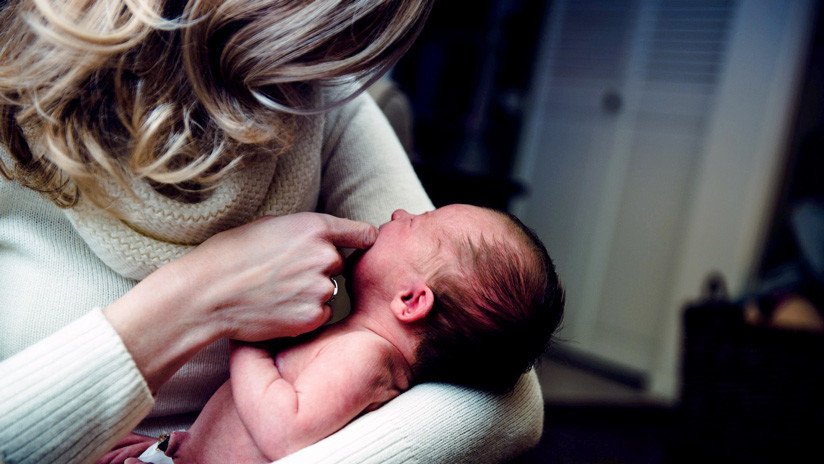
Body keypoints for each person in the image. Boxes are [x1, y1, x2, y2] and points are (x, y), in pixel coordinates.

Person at [0, 2, 546, 463]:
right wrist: (213, 296)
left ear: (412, 299)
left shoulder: (325, 97)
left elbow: (511, 397)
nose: (401, 215)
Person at [98, 205, 564, 464]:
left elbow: (283, 432)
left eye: (417, 222)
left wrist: (248, 341)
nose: (399, 212)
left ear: (410, 301)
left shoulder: (365, 357)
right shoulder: (354, 333)